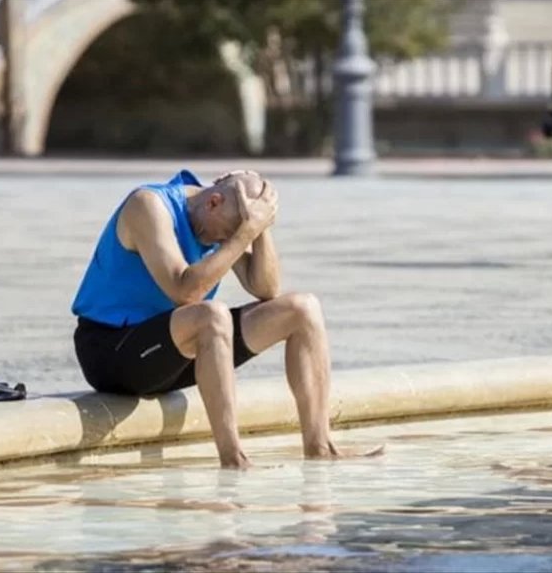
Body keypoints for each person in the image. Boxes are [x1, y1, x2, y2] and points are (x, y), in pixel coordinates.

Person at [71, 169, 376, 469]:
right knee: (212, 315)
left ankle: (319, 446)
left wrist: (259, 227)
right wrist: (243, 233)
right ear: (213, 201)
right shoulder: (148, 205)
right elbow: (185, 292)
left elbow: (266, 288)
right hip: (112, 352)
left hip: (173, 351)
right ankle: (233, 459)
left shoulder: (221, 219)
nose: (226, 241)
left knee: (303, 309)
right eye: (228, 233)